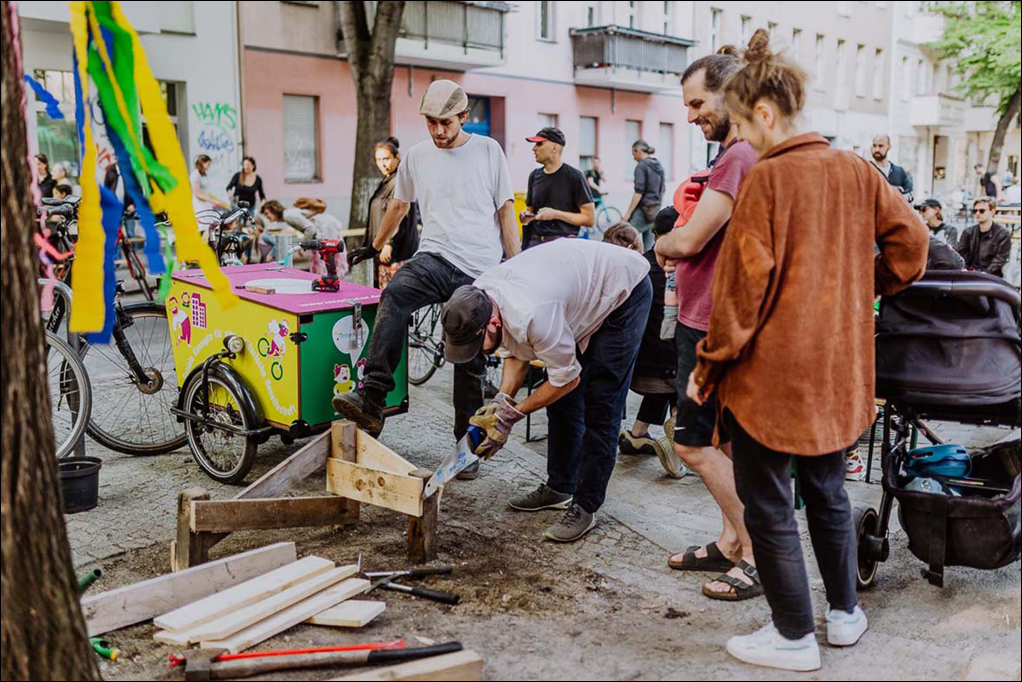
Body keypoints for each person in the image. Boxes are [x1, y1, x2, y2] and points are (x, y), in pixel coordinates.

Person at [690, 30, 927, 671]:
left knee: (767, 498)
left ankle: (793, 635)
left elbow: (740, 300)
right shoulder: (855, 168)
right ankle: (845, 615)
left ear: (764, 114)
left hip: (773, 380)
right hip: (839, 374)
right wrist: (861, 289)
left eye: (742, 124)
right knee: (826, 490)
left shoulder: (767, 179)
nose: (742, 136)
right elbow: (913, 244)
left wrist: (707, 370)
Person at [334, 79, 520, 483]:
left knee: (468, 359)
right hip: (433, 257)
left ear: (463, 118)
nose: (438, 131)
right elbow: (400, 205)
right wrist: (374, 244)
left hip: (479, 268)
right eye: (431, 123)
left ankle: (466, 450)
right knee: (396, 294)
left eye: (446, 123)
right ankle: (372, 398)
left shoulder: (489, 151)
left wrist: (516, 268)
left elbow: (506, 211)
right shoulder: (417, 156)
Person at [441, 239, 652, 542]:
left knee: (601, 404)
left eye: (476, 344)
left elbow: (567, 380)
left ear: (493, 321)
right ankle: (560, 487)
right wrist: (502, 402)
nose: (474, 352)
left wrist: (512, 415)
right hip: (575, 295)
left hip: (622, 293)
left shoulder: (533, 314)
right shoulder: (481, 294)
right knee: (561, 403)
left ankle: (585, 505)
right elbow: (517, 353)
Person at [654, 46, 762, 603]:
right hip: (709, 318)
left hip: (714, 323)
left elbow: (691, 238)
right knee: (721, 444)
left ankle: (754, 551)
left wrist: (663, 242)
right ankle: (729, 539)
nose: (692, 115)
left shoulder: (740, 155)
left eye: (698, 103)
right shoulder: (733, 155)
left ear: (730, 94)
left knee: (693, 444)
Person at [609, 213, 677, 461]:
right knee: (684, 367)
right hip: (671, 365)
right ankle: (678, 436)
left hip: (639, 364)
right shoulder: (684, 267)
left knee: (667, 373)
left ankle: (638, 435)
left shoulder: (639, 266)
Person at [520, 127, 594, 249]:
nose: (534, 149)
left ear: (555, 148)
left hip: (564, 246)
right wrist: (526, 216)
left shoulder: (575, 177)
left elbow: (589, 219)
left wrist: (556, 214)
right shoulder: (534, 176)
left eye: (539, 144)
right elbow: (530, 211)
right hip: (536, 244)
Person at [366, 137, 420, 290]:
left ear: (397, 158)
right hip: (382, 248)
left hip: (397, 251)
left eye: (386, 159)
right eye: (378, 159)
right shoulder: (387, 180)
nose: (382, 164)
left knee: (394, 296)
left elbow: (400, 213)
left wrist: (389, 243)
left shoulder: (399, 180)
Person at [624, 140, 665, 250]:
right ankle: (648, 266)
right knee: (649, 247)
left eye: (634, 154)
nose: (634, 158)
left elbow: (639, 192)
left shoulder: (641, 166)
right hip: (654, 210)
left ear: (637, 151)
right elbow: (662, 189)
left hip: (643, 210)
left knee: (626, 239)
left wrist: (627, 214)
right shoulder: (658, 165)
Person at [956, 198, 1012, 278]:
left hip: (991, 276)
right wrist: (965, 269)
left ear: (992, 211)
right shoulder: (968, 232)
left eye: (982, 211)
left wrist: (986, 273)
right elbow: (962, 254)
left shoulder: (1003, 234)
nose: (978, 213)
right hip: (969, 273)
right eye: (975, 211)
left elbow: (1000, 259)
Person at [869, 134, 913, 202]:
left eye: (881, 146)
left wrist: (897, 197)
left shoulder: (899, 172)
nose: (877, 149)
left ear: (889, 147)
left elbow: (910, 194)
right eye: (874, 146)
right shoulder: (867, 170)